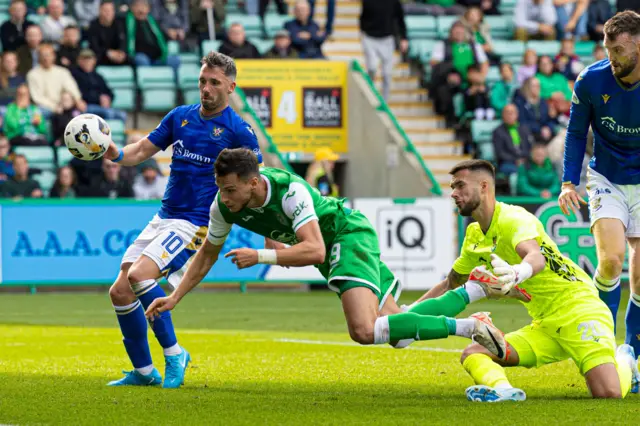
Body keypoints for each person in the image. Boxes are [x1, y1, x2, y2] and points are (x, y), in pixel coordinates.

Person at [145, 148, 534, 365]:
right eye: (221, 190)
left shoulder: (290, 189)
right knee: (396, 332)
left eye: (230, 190)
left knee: (364, 331)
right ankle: (474, 295)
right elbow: (207, 254)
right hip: (334, 251)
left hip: (346, 235)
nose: (224, 198)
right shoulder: (223, 205)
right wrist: (175, 296)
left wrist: (262, 256)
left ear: (252, 182)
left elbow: (313, 248)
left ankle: (469, 328)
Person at [99, 51, 263, 388]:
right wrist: (113, 151)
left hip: (196, 222)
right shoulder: (180, 117)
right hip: (165, 215)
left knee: (141, 275)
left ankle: (175, 353)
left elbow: (254, 183)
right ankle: (144, 373)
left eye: (214, 83)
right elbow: (143, 149)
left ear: (231, 87)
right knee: (119, 291)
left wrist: (268, 228)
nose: (206, 88)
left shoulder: (239, 131)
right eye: (203, 81)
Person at [425, 159, 639, 402]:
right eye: (452, 186)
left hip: (579, 309)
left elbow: (535, 258)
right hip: (545, 323)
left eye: (460, 185)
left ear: (484, 186)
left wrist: (517, 273)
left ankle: (625, 359)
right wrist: (406, 314)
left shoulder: (512, 218)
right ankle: (504, 392)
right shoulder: (474, 235)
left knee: (607, 393)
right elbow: (449, 284)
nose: (453, 193)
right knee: (474, 353)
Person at [559, 11, 640, 393]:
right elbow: (576, 133)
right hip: (606, 177)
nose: (612, 56)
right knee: (611, 260)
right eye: (608, 49)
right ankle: (603, 346)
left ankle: (633, 353)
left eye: (619, 49)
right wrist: (566, 182)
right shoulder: (591, 80)